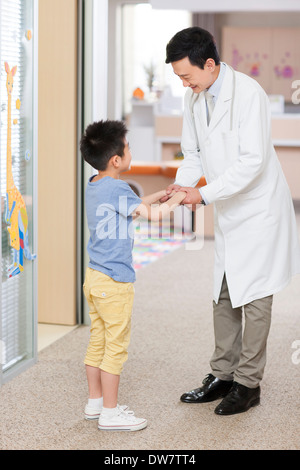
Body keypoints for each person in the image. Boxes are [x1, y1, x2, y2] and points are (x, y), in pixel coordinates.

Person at [163, 27, 300, 415]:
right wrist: (181, 186)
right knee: (223, 292)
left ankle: (248, 383)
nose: (185, 85)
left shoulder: (249, 94)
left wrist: (201, 194)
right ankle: (222, 374)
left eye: (187, 76)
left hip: (257, 210)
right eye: (179, 79)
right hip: (228, 209)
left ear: (210, 64)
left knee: (254, 297)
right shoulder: (195, 99)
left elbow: (252, 162)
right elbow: (192, 153)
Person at [80, 119, 186, 431]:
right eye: (128, 148)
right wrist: (180, 196)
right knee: (116, 347)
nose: (130, 152)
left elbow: (136, 206)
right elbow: (154, 216)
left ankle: (95, 404)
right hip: (115, 281)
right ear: (117, 159)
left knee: (97, 340)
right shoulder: (119, 188)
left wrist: (162, 193)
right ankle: (111, 414)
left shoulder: (97, 184)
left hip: (95, 277)